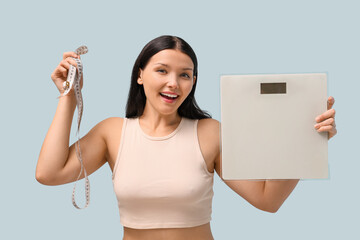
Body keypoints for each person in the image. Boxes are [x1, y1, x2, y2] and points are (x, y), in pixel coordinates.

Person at [35, 35, 337, 240]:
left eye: (185, 74)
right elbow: (49, 174)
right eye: (162, 70)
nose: (173, 83)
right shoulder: (112, 132)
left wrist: (305, 140)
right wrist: (68, 97)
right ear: (140, 75)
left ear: (193, 81)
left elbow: (267, 199)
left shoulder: (210, 133)